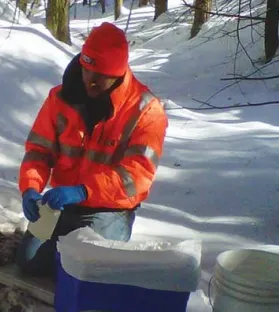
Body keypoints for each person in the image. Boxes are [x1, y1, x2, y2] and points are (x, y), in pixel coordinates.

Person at [15, 22, 169, 277]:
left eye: (100, 78)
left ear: (118, 75)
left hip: (110, 210)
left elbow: (137, 175)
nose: (90, 82)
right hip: (61, 204)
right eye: (87, 71)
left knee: (84, 269)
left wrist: (84, 191)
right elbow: (38, 152)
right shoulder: (60, 98)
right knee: (29, 262)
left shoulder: (147, 111)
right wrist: (30, 188)